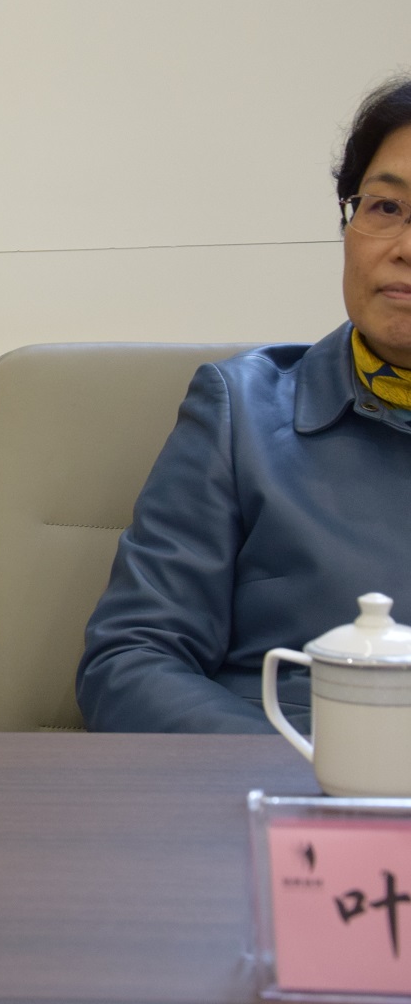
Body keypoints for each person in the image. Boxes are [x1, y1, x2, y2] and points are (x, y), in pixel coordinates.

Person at [77, 77, 411, 733]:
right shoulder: (242, 415)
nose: (404, 247)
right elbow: (131, 661)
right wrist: (297, 771)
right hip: (283, 776)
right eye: (385, 207)